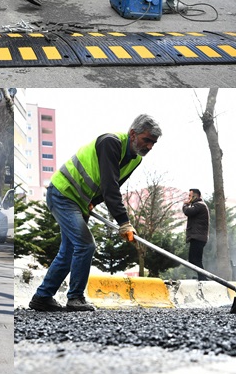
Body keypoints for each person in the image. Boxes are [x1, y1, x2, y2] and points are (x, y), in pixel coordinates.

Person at [29, 114, 162, 313]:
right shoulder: (110, 142)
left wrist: (94, 202)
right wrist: (124, 222)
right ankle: (75, 298)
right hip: (63, 193)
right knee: (85, 245)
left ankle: (42, 297)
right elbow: (110, 187)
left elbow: (113, 184)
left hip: (79, 201)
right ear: (133, 134)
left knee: (68, 251)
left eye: (153, 142)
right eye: (147, 140)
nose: (150, 146)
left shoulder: (135, 159)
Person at [182, 189, 209, 281]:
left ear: (195, 196)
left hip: (198, 237)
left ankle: (203, 277)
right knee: (193, 259)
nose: (188, 198)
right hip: (197, 237)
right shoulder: (198, 205)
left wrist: (185, 204)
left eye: (190, 196)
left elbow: (187, 212)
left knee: (195, 259)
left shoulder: (199, 205)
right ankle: (201, 276)